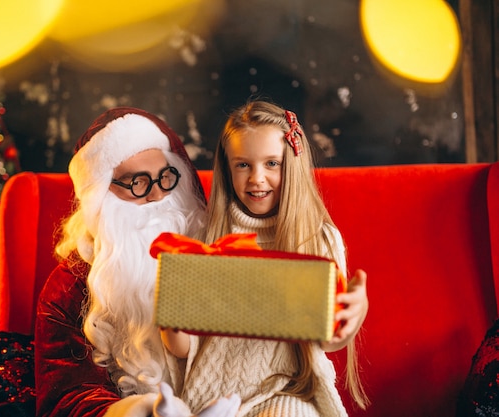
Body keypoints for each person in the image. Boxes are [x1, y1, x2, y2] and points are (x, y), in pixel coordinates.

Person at [161, 100, 369, 417]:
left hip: (286, 391)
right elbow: (183, 348)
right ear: (227, 168)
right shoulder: (206, 236)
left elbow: (328, 341)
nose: (257, 178)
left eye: (272, 164)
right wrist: (172, 319)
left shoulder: (318, 238)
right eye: (243, 165)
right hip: (212, 393)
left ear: (293, 164)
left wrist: (351, 317)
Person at [34, 107, 240, 417]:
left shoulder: (215, 244)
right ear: (102, 196)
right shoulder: (72, 284)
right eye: (138, 183)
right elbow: (67, 396)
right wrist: (135, 411)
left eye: (165, 177)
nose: (158, 194)